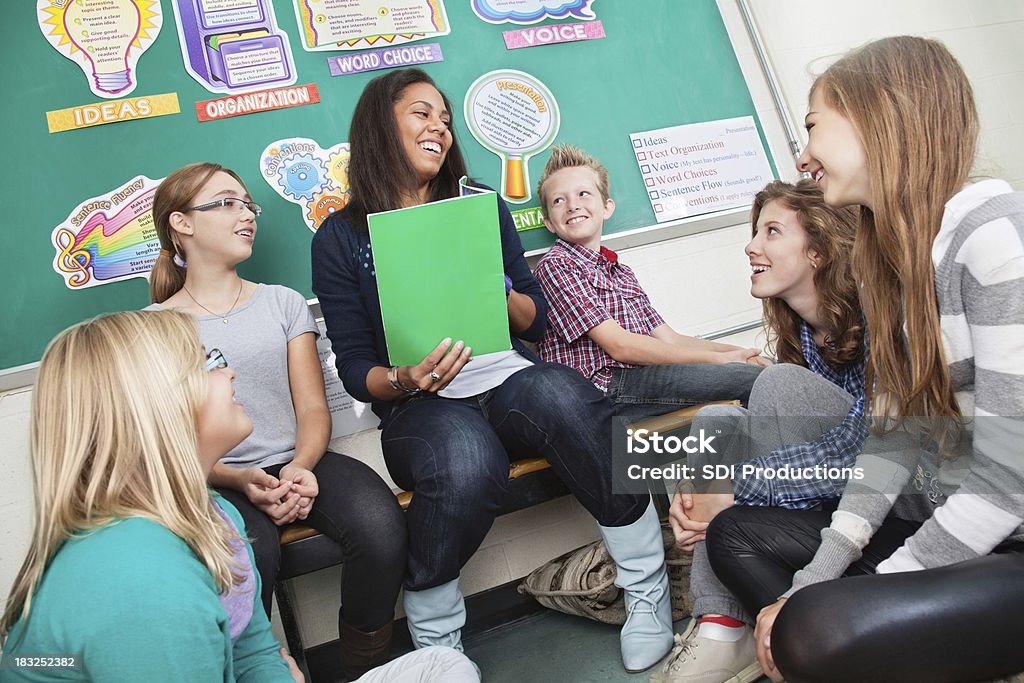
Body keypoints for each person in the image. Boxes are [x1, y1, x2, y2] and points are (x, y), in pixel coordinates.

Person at [310, 68, 673, 673]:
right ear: (381, 124)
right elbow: (354, 369)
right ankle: (438, 645)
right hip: (419, 404)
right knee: (464, 459)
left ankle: (647, 590)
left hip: (507, 377)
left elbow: (537, 323)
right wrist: (406, 378)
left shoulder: (479, 202)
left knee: (564, 396)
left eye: (445, 119)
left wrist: (493, 290)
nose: (440, 128)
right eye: (422, 114)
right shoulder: (342, 236)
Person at [705, 36, 1024, 683]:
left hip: (1010, 540)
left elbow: (1005, 482)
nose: (804, 154)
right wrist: (814, 582)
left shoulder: (989, 228)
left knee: (813, 628)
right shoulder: (900, 270)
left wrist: (882, 586)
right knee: (740, 539)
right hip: (947, 528)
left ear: (879, 114)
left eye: (814, 126)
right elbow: (890, 445)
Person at [148, 163, 406, 679]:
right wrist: (238, 477)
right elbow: (175, 441)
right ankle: (258, 671)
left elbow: (312, 407)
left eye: (248, 204)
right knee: (245, 557)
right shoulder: (157, 327)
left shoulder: (281, 302)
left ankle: (363, 666)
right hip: (218, 481)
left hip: (299, 459)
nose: (246, 214)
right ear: (182, 223)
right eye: (226, 203)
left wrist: (302, 466)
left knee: (382, 527)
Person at [0, 310, 301, 682]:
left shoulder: (217, 514)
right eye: (207, 363)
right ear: (156, 408)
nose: (229, 372)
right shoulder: (141, 581)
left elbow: (253, 651)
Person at [651, 180, 865, 683]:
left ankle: (729, 627)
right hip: (830, 499)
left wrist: (728, 487)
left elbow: (870, 452)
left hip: (909, 495)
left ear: (817, 251)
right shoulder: (805, 337)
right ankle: (721, 626)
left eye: (772, 231)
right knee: (716, 422)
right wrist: (702, 486)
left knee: (777, 384)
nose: (751, 246)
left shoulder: (876, 317)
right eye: (755, 232)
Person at [534, 144, 765, 420]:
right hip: (606, 388)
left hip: (641, 377)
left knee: (764, 369)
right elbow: (620, 346)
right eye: (559, 200)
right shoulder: (556, 265)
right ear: (548, 222)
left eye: (583, 194)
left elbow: (670, 338)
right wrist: (719, 360)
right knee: (753, 380)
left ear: (607, 207)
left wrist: (739, 352)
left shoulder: (621, 272)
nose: (572, 205)